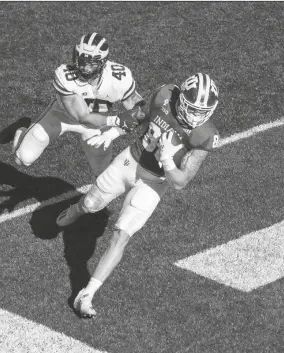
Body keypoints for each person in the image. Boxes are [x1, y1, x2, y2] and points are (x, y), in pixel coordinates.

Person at [56, 73, 221, 318]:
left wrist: (166, 157)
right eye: (192, 109)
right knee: (91, 204)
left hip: (155, 183)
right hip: (130, 161)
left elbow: (180, 182)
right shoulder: (165, 94)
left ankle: (87, 294)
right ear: (181, 100)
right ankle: (77, 210)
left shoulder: (205, 134)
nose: (196, 116)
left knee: (121, 235)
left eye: (202, 111)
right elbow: (140, 118)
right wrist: (114, 132)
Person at [5, 32, 145, 176]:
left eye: (91, 64)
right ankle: (21, 131)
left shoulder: (118, 77)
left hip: (97, 124)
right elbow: (83, 117)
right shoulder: (65, 75)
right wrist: (115, 120)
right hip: (61, 116)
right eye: (81, 61)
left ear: (102, 62)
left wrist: (114, 132)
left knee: (102, 173)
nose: (84, 68)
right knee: (22, 159)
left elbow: (141, 111)